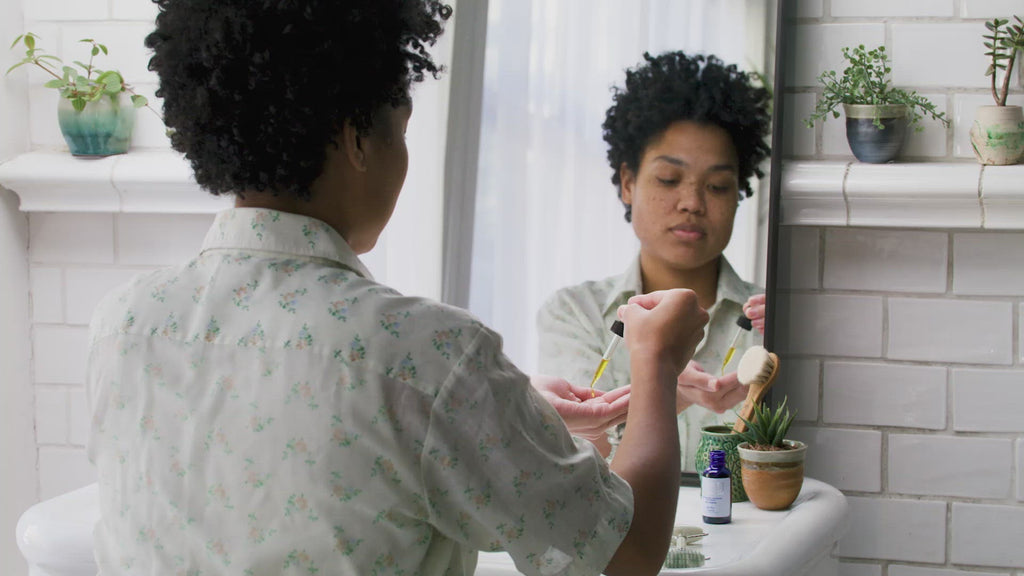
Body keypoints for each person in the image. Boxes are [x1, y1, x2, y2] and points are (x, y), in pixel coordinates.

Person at [85, 2, 709, 575]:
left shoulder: (123, 323)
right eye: (401, 131)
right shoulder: (427, 354)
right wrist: (656, 361)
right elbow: (625, 553)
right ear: (358, 138)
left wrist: (509, 413)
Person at [538, 51, 772, 469]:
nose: (692, 202)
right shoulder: (575, 314)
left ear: (738, 195)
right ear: (628, 183)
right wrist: (667, 393)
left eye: (718, 186)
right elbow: (578, 459)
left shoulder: (774, 323)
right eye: (669, 179)